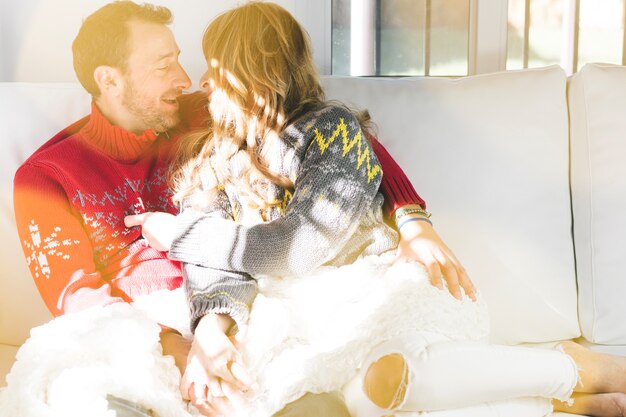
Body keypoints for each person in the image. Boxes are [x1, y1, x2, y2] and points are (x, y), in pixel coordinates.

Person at [126, 3, 626, 417]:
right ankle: (561, 401)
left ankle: (580, 370)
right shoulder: (205, 158)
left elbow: (294, 249)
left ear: (249, 70)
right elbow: (214, 268)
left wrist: (175, 233)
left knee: (400, 371)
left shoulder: (331, 129)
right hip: (299, 321)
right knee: (373, 397)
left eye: (215, 68)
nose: (203, 83)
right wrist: (212, 326)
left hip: (377, 291)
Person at [12, 1, 471, 415]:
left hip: (245, 301)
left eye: (178, 58)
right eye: (163, 65)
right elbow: (78, 300)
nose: (186, 80)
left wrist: (412, 220)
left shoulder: (195, 113)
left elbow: (341, 139)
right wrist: (181, 349)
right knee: (73, 387)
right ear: (109, 79)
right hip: (156, 329)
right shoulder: (47, 176)